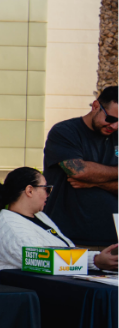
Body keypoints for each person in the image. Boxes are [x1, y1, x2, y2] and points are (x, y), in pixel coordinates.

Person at [0, 167, 119, 280]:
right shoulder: (9, 227)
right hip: (26, 298)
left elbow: (65, 251)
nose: (48, 194)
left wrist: (98, 259)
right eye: (47, 189)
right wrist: (95, 260)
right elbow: (41, 260)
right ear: (29, 190)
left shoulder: (40, 216)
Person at [42, 85, 118, 248]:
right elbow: (78, 171)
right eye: (111, 119)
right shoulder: (65, 131)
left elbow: (87, 175)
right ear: (96, 106)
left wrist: (97, 182)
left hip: (113, 242)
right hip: (67, 239)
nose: (114, 126)